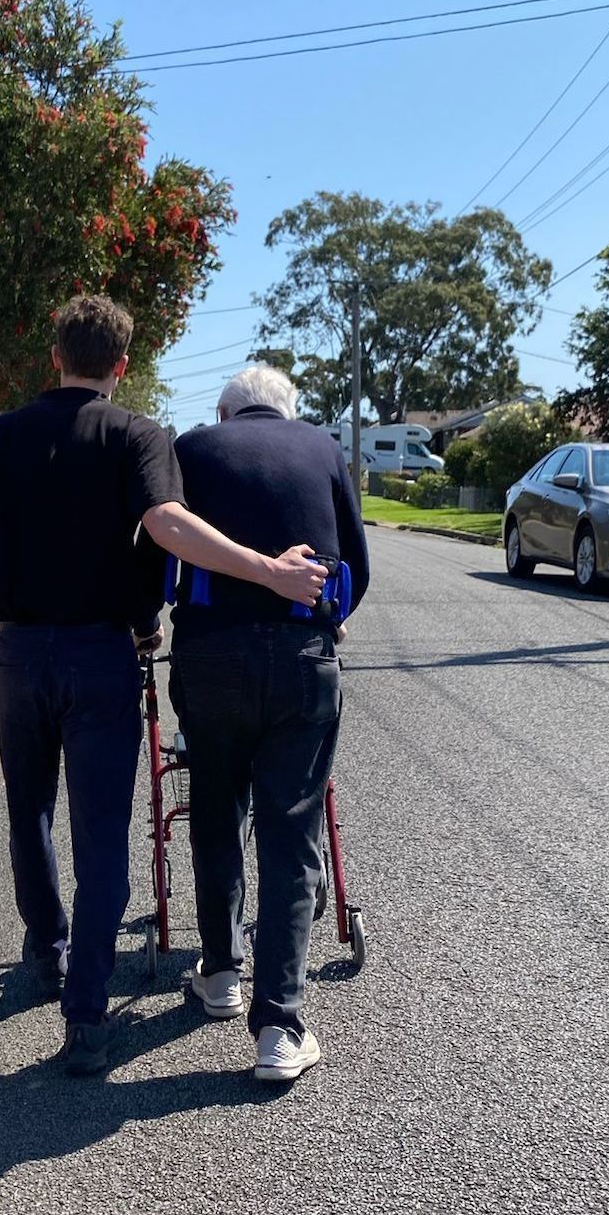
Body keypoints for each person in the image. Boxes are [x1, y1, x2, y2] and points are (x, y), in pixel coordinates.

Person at [0, 299, 328, 1077]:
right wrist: (269, 570)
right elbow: (167, 524)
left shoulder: (0, 435)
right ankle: (88, 1014)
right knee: (102, 837)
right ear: (122, 367)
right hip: (102, 657)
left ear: (55, 355)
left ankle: (49, 949)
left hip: (20, 657)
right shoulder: (140, 436)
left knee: (28, 809)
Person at [167, 364, 369, 1082]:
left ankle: (220, 972)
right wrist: (329, 621)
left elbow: (160, 547)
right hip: (298, 659)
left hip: (208, 656)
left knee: (216, 806)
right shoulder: (321, 448)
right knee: (291, 830)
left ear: (227, 413)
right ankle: (279, 1029)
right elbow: (356, 568)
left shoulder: (192, 448)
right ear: (287, 413)